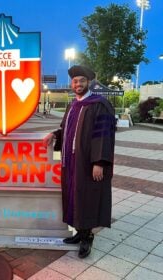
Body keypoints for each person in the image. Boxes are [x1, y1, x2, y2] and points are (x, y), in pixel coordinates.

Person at [43, 65, 115, 258]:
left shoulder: (99, 104)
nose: (78, 84)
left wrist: (99, 162)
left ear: (88, 82)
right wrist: (54, 134)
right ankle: (79, 232)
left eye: (82, 80)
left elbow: (103, 136)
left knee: (88, 197)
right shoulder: (73, 105)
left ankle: (87, 237)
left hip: (88, 162)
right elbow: (67, 129)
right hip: (71, 161)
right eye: (75, 81)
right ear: (72, 83)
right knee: (74, 195)